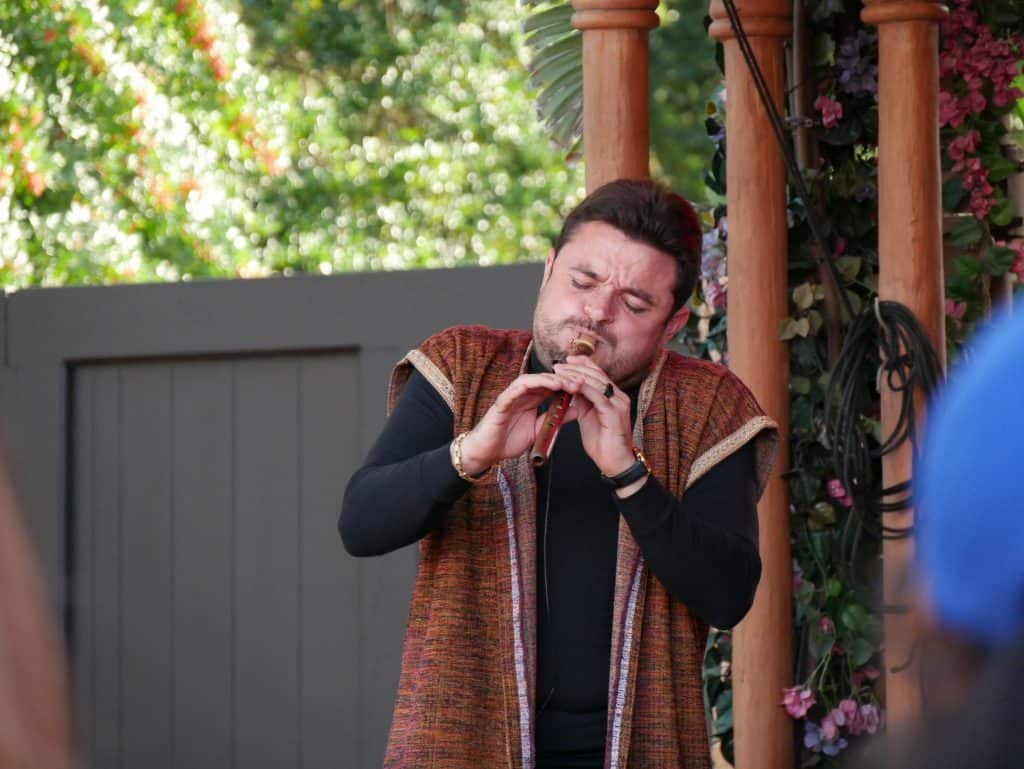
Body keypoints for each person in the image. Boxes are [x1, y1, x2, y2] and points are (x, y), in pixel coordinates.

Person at [339, 178, 778, 769]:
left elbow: (728, 596)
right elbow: (360, 525)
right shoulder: (463, 364)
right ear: (547, 268)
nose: (597, 313)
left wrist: (628, 473)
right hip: (459, 745)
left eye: (636, 303)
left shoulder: (707, 404)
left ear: (672, 325)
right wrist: (472, 452)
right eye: (583, 280)